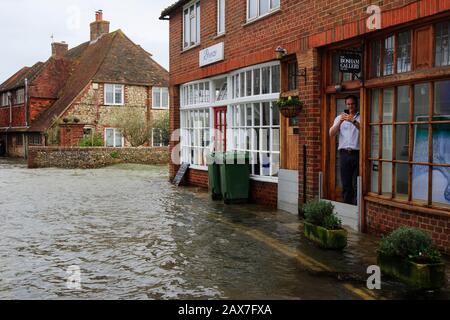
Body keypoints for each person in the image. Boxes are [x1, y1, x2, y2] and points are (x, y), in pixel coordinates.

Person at [329, 95, 360, 205]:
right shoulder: (339, 118)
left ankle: (357, 206)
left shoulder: (361, 117)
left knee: (357, 182)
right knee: (346, 182)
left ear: (356, 105)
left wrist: (353, 121)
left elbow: (365, 130)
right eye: (348, 104)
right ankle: (347, 205)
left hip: (357, 154)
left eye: (352, 104)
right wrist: (340, 122)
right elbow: (331, 134)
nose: (350, 106)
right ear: (345, 105)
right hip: (344, 154)